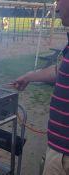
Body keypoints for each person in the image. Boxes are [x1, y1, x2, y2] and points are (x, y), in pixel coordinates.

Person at [12, 0, 69, 174]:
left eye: (61, 1)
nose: (57, 7)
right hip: (59, 148)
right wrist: (29, 76)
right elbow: (60, 71)